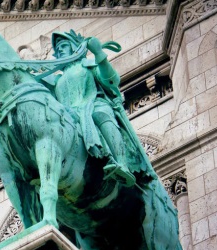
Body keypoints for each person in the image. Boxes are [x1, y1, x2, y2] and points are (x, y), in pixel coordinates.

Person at [48, 31, 148, 187]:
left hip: (92, 104)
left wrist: (99, 53)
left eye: (64, 45)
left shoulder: (86, 65)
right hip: (69, 115)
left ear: (74, 47)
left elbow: (111, 80)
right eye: (57, 48)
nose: (59, 50)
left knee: (100, 113)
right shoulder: (57, 80)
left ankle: (121, 163)